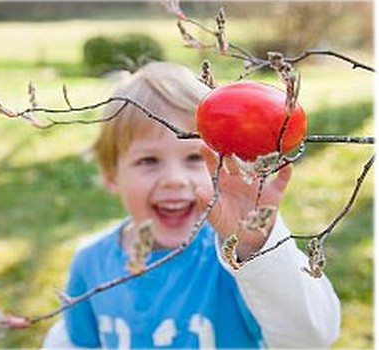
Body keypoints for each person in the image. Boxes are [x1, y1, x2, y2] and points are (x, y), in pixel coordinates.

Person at [43, 62, 341, 348]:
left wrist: (255, 244)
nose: (175, 179)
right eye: (148, 161)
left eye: (195, 158)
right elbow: (76, 342)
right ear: (111, 175)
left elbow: (309, 338)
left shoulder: (237, 264)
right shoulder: (91, 261)